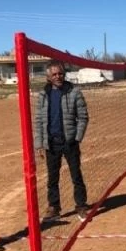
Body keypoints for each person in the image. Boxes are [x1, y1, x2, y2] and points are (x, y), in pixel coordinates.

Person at [33, 60, 89, 222]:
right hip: (51, 142)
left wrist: (77, 137)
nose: (58, 77)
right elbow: (39, 120)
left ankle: (81, 205)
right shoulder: (44, 95)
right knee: (52, 178)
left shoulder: (74, 92)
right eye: (54, 74)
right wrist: (39, 143)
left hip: (69, 142)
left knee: (76, 175)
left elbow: (83, 117)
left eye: (60, 74)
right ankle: (54, 207)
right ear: (48, 77)